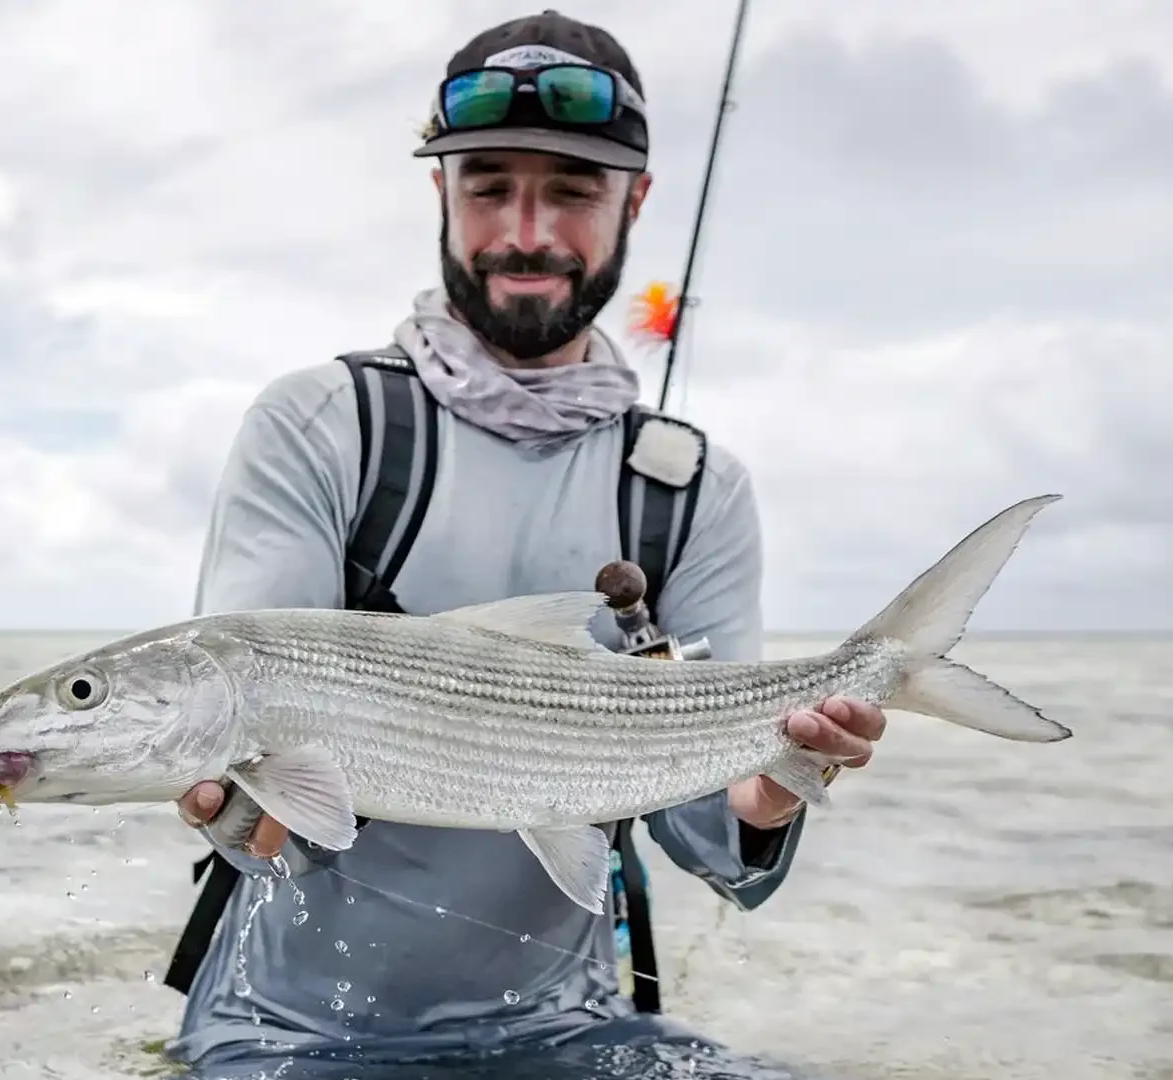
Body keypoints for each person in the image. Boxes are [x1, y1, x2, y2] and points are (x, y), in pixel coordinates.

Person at [161, 11, 889, 1079]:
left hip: (573, 1028)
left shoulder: (690, 489)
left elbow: (721, 851)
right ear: (441, 194)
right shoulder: (324, 427)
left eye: (575, 190)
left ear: (635, 200)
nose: (527, 233)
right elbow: (260, 811)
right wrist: (232, 808)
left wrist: (771, 787)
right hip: (289, 1029)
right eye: (489, 185)